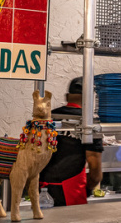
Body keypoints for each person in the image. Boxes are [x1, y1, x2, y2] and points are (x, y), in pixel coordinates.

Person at [40, 77, 104, 205]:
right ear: (89, 98)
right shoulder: (89, 123)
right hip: (71, 192)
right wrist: (88, 190)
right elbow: (95, 172)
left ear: (67, 96)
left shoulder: (48, 117)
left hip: (42, 191)